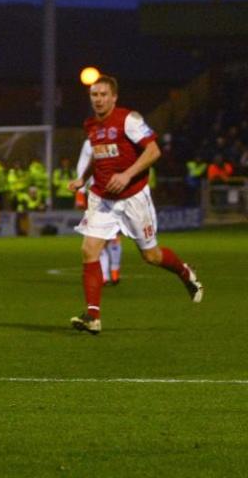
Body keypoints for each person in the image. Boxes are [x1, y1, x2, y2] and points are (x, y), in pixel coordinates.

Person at [68, 75, 203, 335]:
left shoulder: (129, 119)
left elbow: (153, 151)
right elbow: (98, 157)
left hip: (133, 197)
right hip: (103, 198)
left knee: (151, 256)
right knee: (88, 250)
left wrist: (127, 175)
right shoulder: (91, 125)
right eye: (94, 95)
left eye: (103, 94)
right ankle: (93, 316)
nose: (98, 99)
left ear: (114, 97)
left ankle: (185, 273)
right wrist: (81, 180)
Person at [75, 139, 122, 286]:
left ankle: (114, 271)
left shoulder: (122, 139)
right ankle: (105, 275)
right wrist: (80, 192)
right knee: (95, 236)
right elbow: (83, 164)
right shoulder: (90, 142)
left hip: (117, 193)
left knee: (113, 236)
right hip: (97, 195)